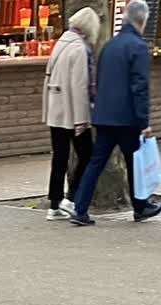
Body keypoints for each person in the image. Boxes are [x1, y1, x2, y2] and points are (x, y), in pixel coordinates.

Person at [68, 0, 161, 228]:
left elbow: (100, 79)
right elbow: (140, 87)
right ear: (143, 20)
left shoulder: (109, 45)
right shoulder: (138, 47)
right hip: (127, 118)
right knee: (135, 162)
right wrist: (144, 121)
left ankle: (80, 208)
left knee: (96, 162)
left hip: (105, 115)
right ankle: (140, 206)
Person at [43, 9, 99, 220]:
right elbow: (79, 86)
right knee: (87, 155)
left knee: (60, 157)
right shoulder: (80, 49)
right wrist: (82, 119)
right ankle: (72, 197)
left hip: (55, 109)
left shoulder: (61, 43)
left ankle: (54, 204)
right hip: (72, 112)